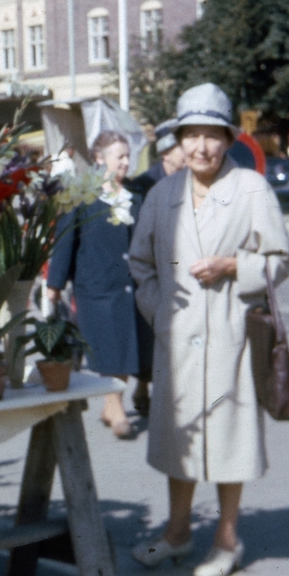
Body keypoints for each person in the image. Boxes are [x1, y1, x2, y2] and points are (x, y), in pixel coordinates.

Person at [127, 83, 289, 576]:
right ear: (178, 138)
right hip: (176, 341)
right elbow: (140, 263)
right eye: (191, 134)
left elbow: (280, 260)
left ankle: (226, 538)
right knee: (180, 441)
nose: (201, 146)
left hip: (230, 336)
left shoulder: (251, 190)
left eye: (212, 135)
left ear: (229, 138)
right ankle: (177, 533)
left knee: (227, 441)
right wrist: (160, 312)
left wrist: (233, 265)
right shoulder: (162, 193)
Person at [46, 130, 147, 439]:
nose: (127, 163)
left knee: (128, 347)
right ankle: (114, 405)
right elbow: (64, 242)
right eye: (121, 157)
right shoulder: (81, 195)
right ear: (99, 159)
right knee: (108, 347)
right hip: (95, 286)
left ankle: (112, 404)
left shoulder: (134, 196)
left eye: (129, 156)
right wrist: (54, 284)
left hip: (130, 286)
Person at [123, 118, 182, 417]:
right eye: (178, 147)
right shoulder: (144, 184)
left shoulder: (190, 180)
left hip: (179, 264)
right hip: (151, 268)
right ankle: (143, 386)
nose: (185, 152)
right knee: (150, 331)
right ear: (166, 153)